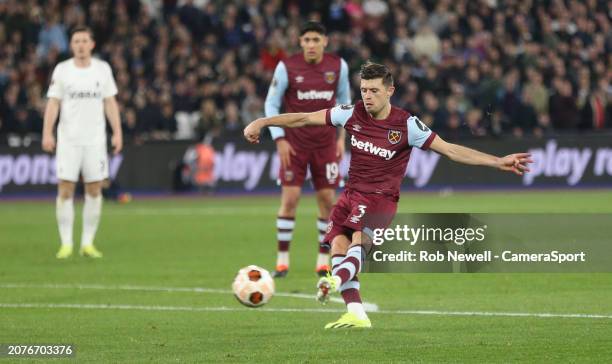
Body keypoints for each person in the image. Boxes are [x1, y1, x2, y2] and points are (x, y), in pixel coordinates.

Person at [244, 62, 532, 329]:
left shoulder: (407, 125)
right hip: (349, 195)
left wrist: (497, 161)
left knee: (359, 243)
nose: (367, 96)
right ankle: (356, 313)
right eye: (364, 90)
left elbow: (451, 150)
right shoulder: (351, 113)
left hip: (380, 200)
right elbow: (306, 118)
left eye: (374, 91)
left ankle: (333, 282)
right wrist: (264, 121)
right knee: (338, 248)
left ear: (390, 91)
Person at [264, 21, 351, 277]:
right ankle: (282, 261)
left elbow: (345, 104)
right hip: (295, 145)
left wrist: (341, 138)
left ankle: (323, 260)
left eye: (316, 39)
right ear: (300, 43)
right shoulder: (286, 67)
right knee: (290, 200)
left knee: (327, 202)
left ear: (325, 41)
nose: (311, 44)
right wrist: (279, 138)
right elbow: (271, 105)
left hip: (325, 145)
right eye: (306, 40)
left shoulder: (338, 66)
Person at [42, 27, 122, 259]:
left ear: (92, 44)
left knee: (94, 189)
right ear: (72, 45)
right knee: (65, 189)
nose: (80, 45)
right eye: (76, 41)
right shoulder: (63, 70)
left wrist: (117, 132)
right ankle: (66, 243)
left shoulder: (102, 69)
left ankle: (87, 243)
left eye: (84, 40)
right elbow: (53, 103)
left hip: (95, 140)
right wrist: (47, 133)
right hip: (69, 140)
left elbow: (110, 102)